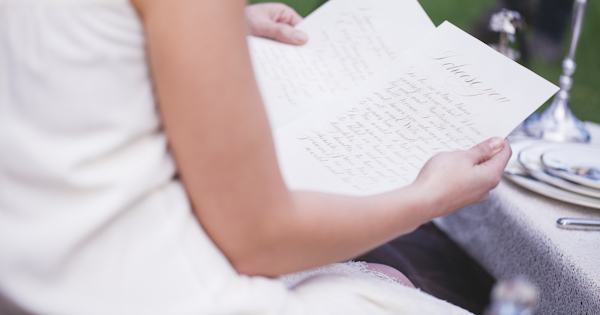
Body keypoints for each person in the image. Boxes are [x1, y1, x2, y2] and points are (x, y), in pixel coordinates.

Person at [0, 0, 511, 314]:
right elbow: (259, 238)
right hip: (142, 289)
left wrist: (212, 29)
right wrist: (427, 196)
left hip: (29, 269)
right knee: (407, 279)